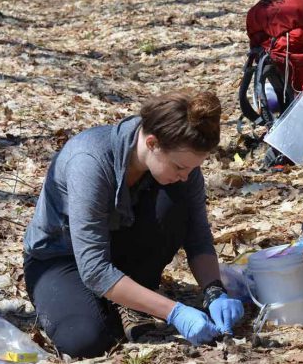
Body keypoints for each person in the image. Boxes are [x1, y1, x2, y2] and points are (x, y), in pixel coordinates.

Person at [23, 91, 244, 358]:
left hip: (118, 244)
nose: (186, 176)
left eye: (192, 168)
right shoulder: (90, 161)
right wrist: (174, 311)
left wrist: (214, 290)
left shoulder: (180, 162)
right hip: (60, 257)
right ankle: (121, 301)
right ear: (152, 143)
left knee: (176, 201)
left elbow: (197, 233)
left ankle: (132, 297)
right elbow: (93, 268)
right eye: (179, 167)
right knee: (84, 340)